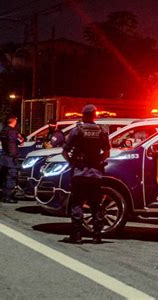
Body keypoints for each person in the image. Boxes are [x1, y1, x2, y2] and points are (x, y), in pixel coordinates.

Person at [61, 104, 111, 244]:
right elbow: (107, 152)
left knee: (77, 203)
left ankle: (76, 235)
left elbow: (64, 151)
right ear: (95, 115)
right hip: (95, 174)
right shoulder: (102, 131)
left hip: (79, 173)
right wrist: (96, 162)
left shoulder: (77, 130)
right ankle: (97, 235)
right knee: (96, 204)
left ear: (83, 115)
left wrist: (73, 162)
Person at [0, 115, 24, 203]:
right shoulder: (13, 132)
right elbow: (20, 142)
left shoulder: (3, 131)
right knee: (11, 177)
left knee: (5, 177)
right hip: (11, 158)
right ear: (14, 121)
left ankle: (4, 195)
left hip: (4, 157)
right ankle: (8, 197)